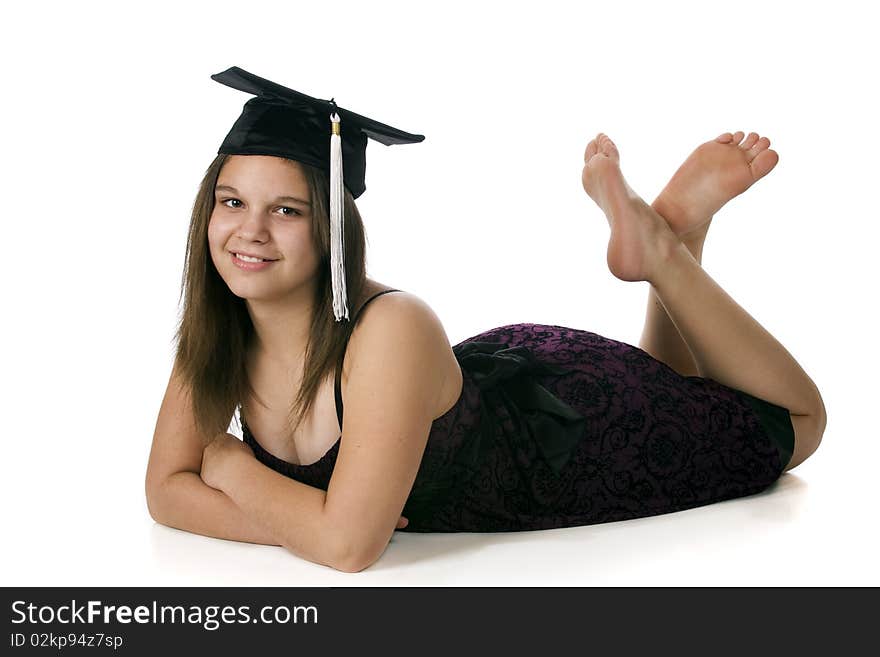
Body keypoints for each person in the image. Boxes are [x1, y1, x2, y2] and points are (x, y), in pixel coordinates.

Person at [145, 69, 826, 573]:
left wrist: (230, 467)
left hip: (572, 439)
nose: (250, 231)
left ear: (331, 232)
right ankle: (673, 231)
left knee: (796, 424)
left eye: (286, 210)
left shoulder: (390, 327)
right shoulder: (219, 328)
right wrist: (298, 520)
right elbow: (164, 492)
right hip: (508, 392)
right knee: (677, 387)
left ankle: (662, 255)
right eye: (232, 201)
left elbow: (349, 546)